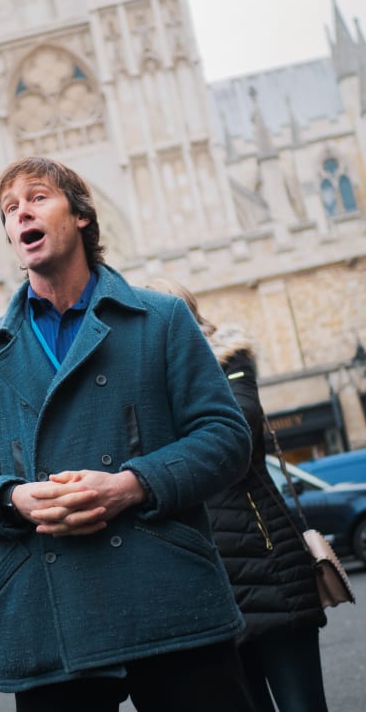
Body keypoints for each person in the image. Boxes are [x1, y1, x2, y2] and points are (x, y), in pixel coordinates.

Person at [0, 155, 255, 712]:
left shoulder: (161, 320)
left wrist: (132, 485)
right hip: (48, 611)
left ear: (81, 214)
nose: (20, 214)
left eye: (36, 197)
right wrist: (14, 499)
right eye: (9, 209)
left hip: (167, 594)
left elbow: (226, 436)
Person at [150, 279, 328, 712]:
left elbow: (235, 427)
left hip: (271, 566)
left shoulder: (229, 359)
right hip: (207, 583)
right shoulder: (146, 383)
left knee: (301, 704)